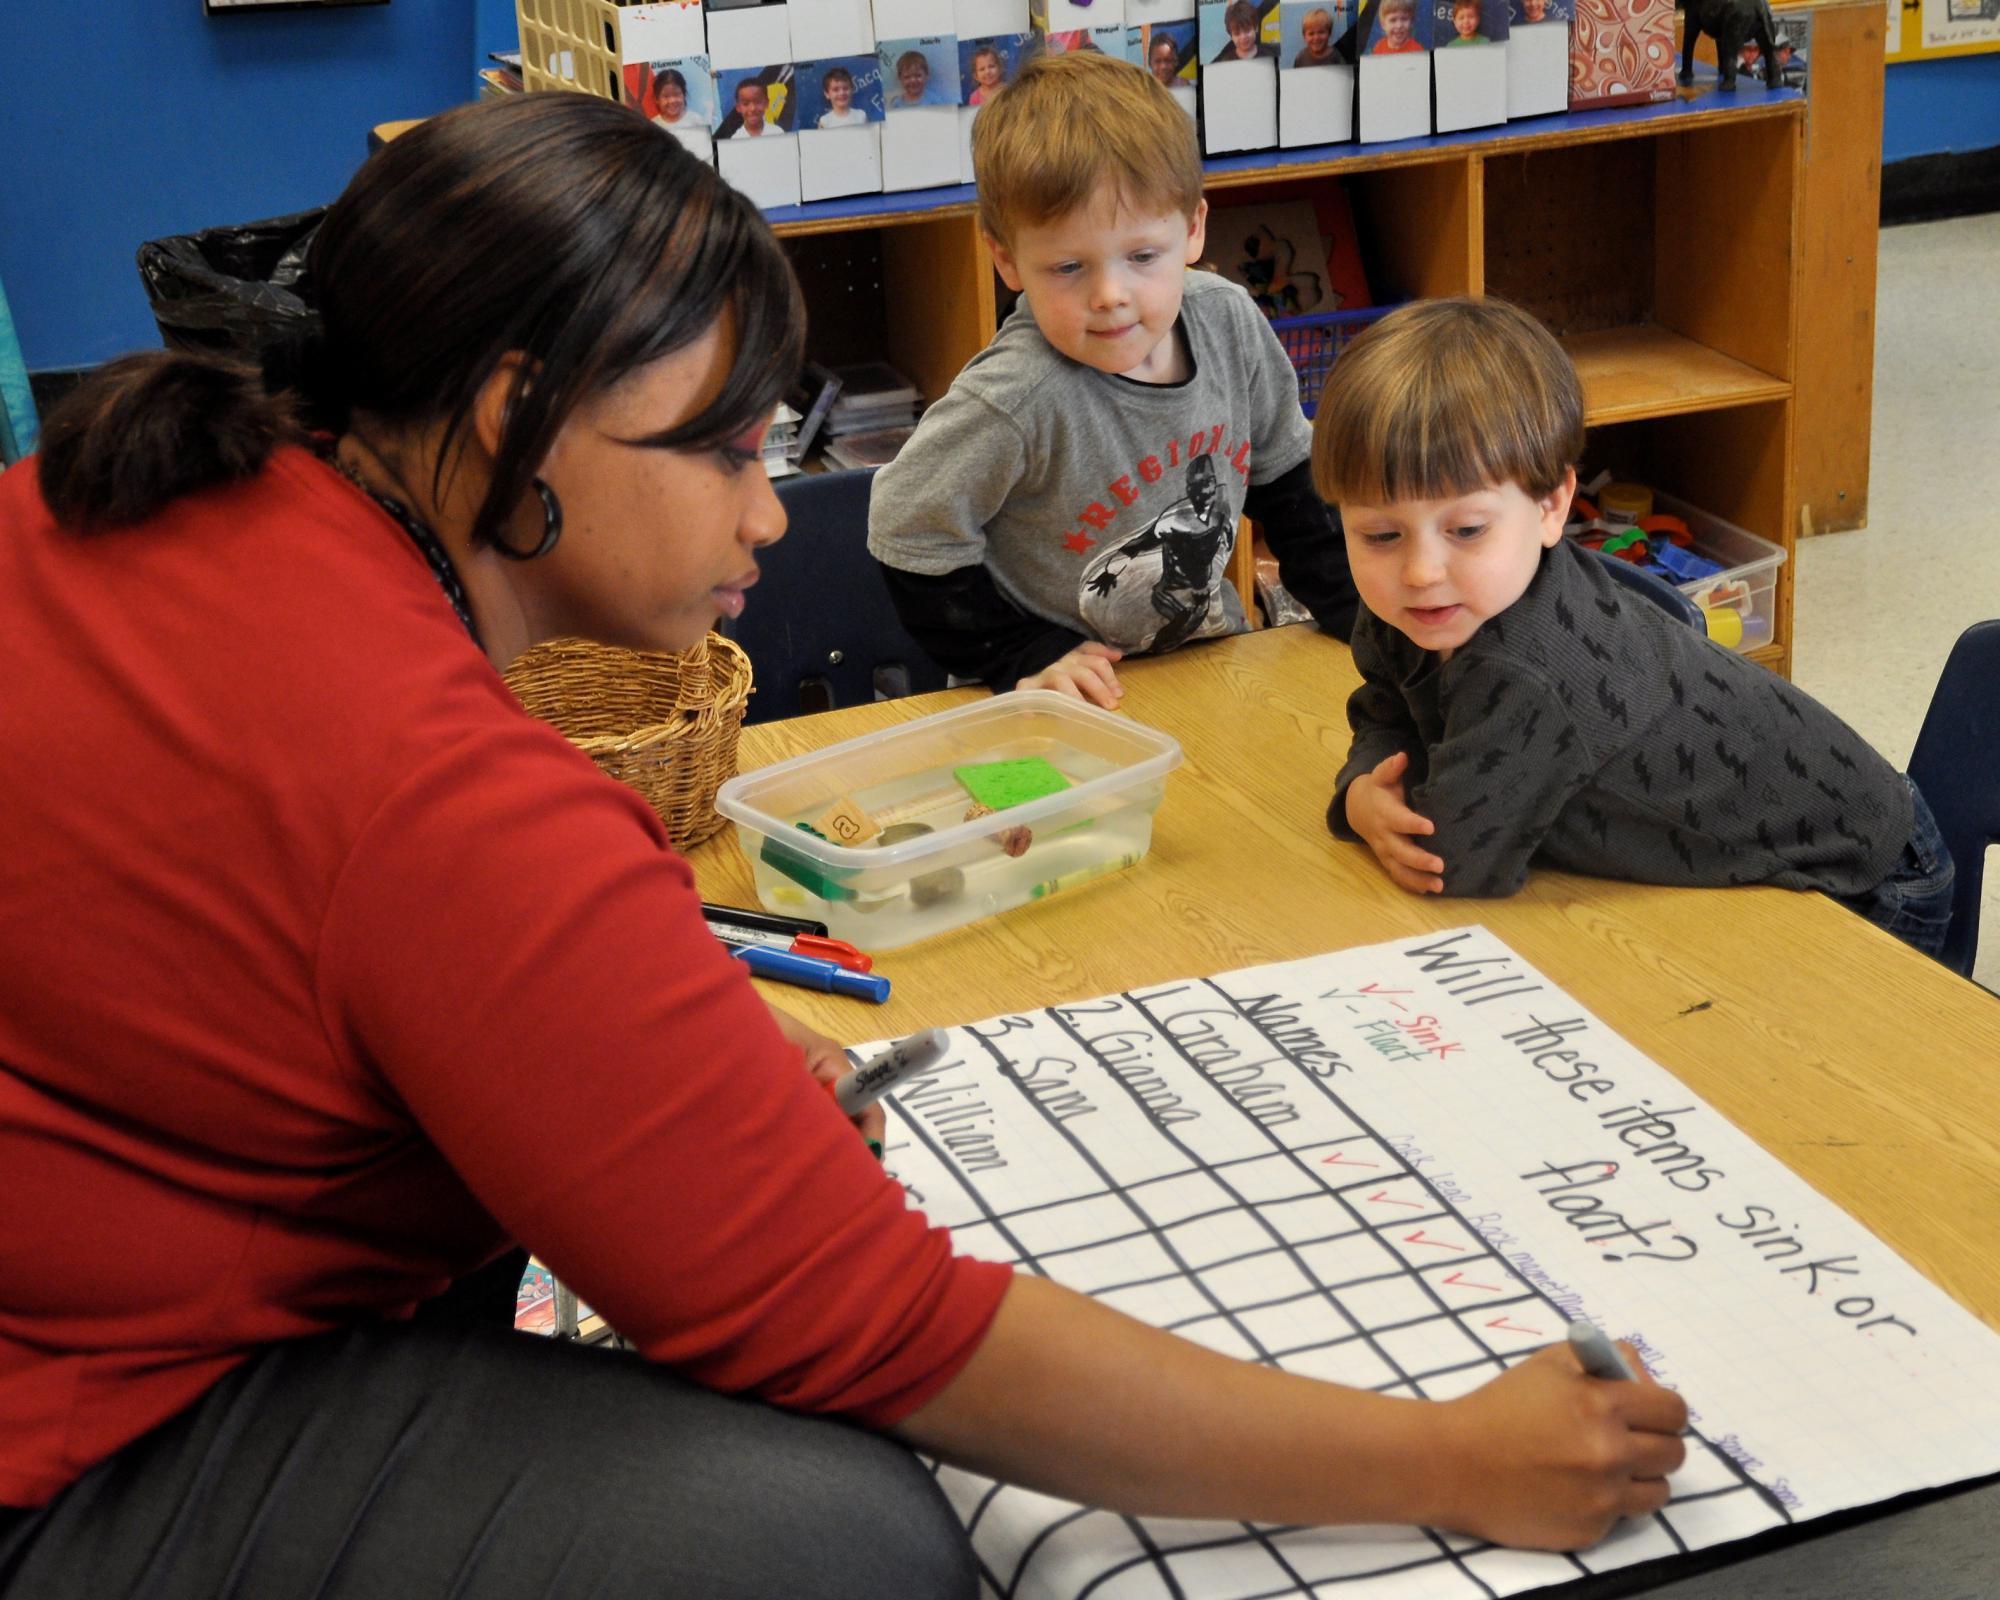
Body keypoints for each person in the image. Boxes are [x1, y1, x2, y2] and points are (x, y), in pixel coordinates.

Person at [0, 94, 1693, 1600]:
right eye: (727, 449)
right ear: (516, 416)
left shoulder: (138, 501)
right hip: (72, 1447)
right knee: (825, 1531)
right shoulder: (443, 790)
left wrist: (629, 1057)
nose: (765, 511)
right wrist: (1451, 1463)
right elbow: (874, 1327)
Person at [1313, 297, 1955, 961]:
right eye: (1380, 533)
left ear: (1552, 505)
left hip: (1868, 877)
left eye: (1467, 530)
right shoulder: (1427, 604)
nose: (1419, 570)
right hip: (1787, 854)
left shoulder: (1526, 671)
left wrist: (1373, 804)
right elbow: (1385, 712)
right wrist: (1364, 786)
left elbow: (1451, 861)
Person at [869, 50, 1361, 706]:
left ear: (1192, 230)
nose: (1110, 295)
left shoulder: (1229, 322)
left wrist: (1369, 624)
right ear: (1006, 258)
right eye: (1068, 267)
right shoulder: (1015, 396)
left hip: (1208, 671)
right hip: (1056, 704)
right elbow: (907, 526)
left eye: (1142, 256)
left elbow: (1292, 489)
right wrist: (1022, 655)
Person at [1215, 0, 1281, 60]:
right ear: (1231, 36)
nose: (1243, 37)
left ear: (1256, 28)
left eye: (1247, 30)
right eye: (1237, 33)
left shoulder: (1269, 55)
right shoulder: (1226, 61)